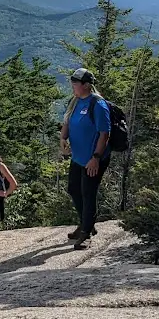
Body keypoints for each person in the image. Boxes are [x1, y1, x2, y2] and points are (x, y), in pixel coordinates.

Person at [59, 67, 110, 249]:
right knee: (74, 189)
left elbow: (104, 134)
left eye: (76, 83)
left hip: (93, 158)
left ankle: (86, 234)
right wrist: (63, 138)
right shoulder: (75, 101)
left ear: (87, 85)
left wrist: (96, 157)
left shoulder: (98, 105)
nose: (72, 85)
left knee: (88, 194)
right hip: (78, 157)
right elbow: (67, 122)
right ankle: (85, 223)